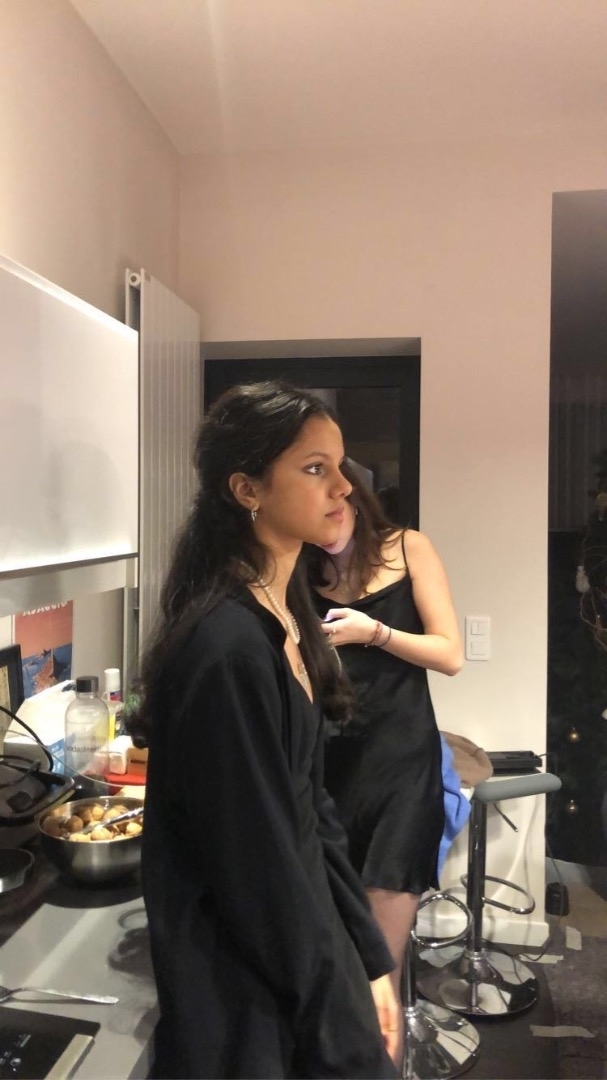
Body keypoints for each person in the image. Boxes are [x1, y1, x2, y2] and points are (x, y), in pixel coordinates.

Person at [132, 383, 399, 1080]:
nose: (344, 486)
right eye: (314, 468)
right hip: (243, 992)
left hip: (295, 955)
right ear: (246, 489)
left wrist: (369, 956)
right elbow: (258, 871)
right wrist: (341, 1022)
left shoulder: (287, 616)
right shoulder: (227, 650)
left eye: (339, 465)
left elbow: (310, 811)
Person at [304, 464, 463, 1024]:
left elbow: (450, 655)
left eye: (335, 507)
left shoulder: (408, 548)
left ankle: (382, 1053)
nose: (328, 524)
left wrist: (374, 633)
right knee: (329, 961)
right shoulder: (299, 568)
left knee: (377, 973)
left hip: (400, 769)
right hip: (326, 770)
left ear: (353, 495)